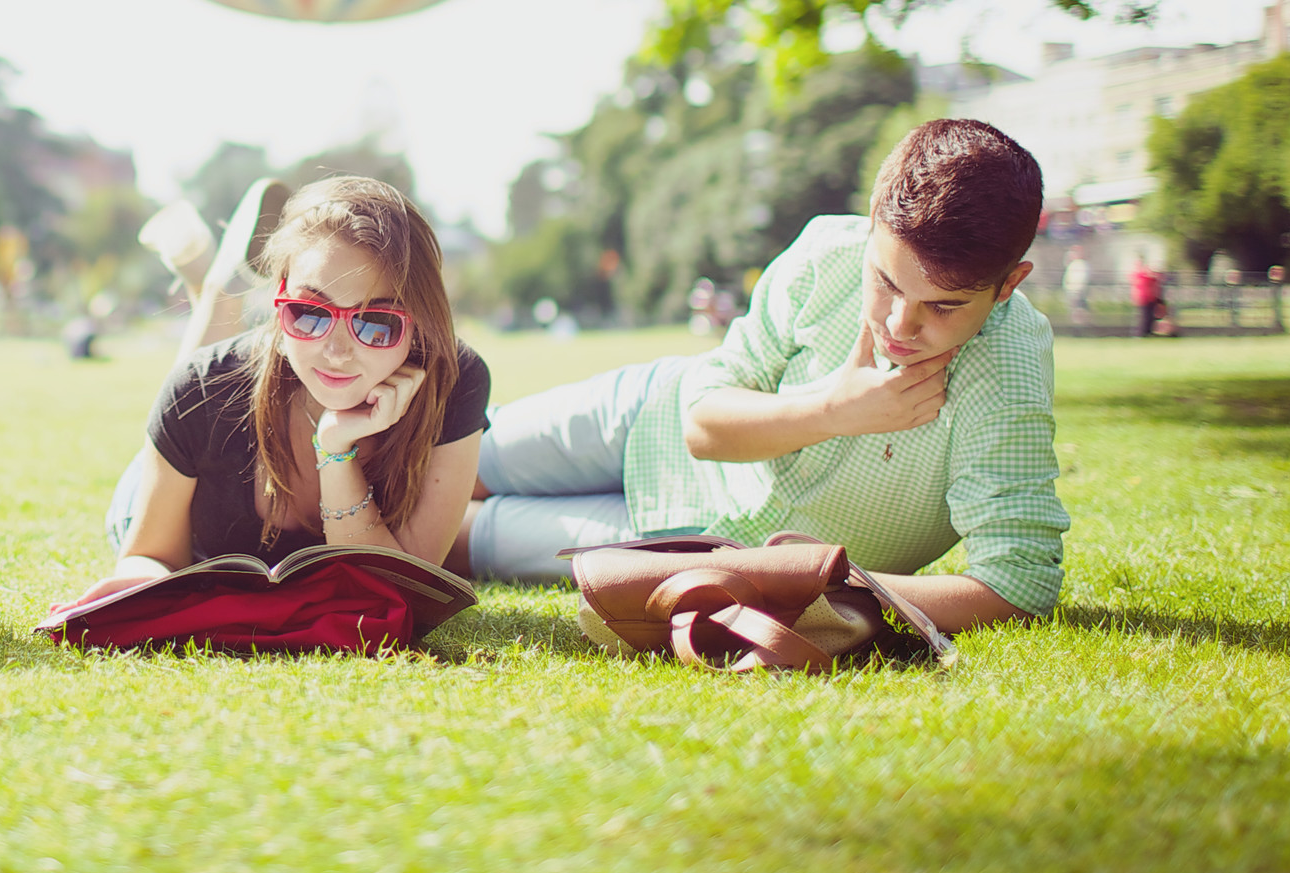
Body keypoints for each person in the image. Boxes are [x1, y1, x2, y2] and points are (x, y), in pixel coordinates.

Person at [449, 119, 1068, 636]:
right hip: (646, 415)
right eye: (886, 281)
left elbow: (1018, 583)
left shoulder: (1006, 365)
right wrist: (836, 410)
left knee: (451, 538)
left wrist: (798, 585)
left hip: (685, 543)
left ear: (1009, 284)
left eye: (945, 305)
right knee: (451, 458)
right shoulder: (826, 252)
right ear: (872, 223)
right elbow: (702, 425)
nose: (900, 324)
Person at [87, 176, 487, 595]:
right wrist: (144, 581)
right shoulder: (199, 390)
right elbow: (152, 556)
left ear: (421, 321)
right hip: (159, 484)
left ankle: (217, 285)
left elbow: (400, 593)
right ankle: (220, 289)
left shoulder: (453, 381)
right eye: (308, 312)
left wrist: (335, 451)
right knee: (199, 379)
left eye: (376, 322)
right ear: (280, 301)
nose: (337, 352)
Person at [1129, 257, 1162, 339]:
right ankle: (1141, 333)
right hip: (1143, 299)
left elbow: (1156, 279)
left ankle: (1149, 332)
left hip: (1151, 298)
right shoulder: (1138, 275)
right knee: (1144, 317)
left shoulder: (1148, 276)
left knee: (1151, 316)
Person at [1061, 249, 1091, 327]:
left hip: (1077, 291)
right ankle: (1076, 325)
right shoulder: (1073, 264)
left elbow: (1080, 279)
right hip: (1072, 290)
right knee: (1074, 309)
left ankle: (1080, 326)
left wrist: (1077, 289)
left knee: (1079, 309)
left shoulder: (1081, 264)